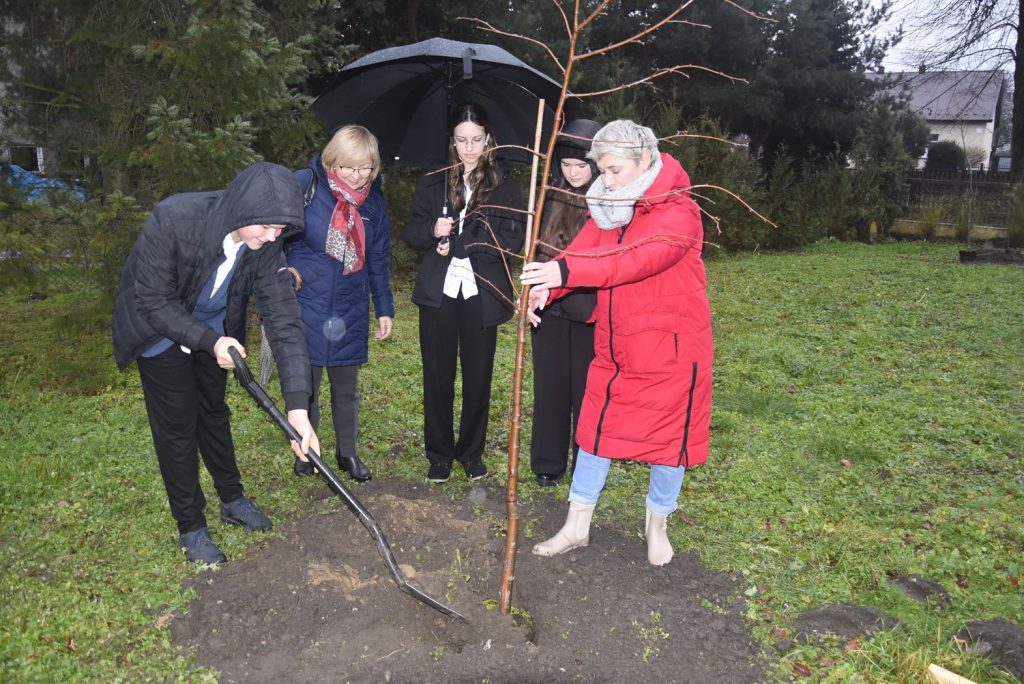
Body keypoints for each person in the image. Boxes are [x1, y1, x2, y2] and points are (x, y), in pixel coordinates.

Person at [521, 119, 713, 566]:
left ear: (644, 159)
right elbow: (585, 251)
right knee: (593, 432)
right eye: (602, 169)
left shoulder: (679, 211)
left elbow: (633, 261)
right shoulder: (612, 206)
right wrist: (551, 287)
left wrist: (564, 274)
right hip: (617, 346)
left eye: (613, 170)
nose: (604, 180)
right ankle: (576, 525)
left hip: (672, 348)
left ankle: (657, 524)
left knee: (668, 441)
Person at [112, 162, 320, 565]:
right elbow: (153, 301)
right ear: (243, 210)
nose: (272, 237)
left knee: (213, 411)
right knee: (178, 426)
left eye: (280, 231)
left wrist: (298, 407)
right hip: (158, 324)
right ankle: (191, 526)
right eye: (267, 227)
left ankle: (232, 499)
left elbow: (283, 318)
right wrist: (210, 342)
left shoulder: (264, 238)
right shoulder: (174, 219)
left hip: (212, 322)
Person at [404, 103, 526, 483]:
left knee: (478, 375)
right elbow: (412, 232)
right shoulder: (433, 180)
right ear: (452, 141)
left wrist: (466, 241)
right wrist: (434, 233)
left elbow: (515, 239)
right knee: (437, 375)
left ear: (488, 139)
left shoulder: (505, 185)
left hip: (482, 292)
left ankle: (472, 453)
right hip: (439, 293)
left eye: (476, 140)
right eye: (461, 140)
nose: (469, 148)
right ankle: (439, 454)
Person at [286, 125, 395, 483]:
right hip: (306, 300)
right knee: (307, 384)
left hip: (349, 306)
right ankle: (306, 450)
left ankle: (347, 452)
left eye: (365, 167)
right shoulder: (306, 186)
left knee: (346, 386)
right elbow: (276, 236)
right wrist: (280, 274)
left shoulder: (374, 202)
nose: (357, 175)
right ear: (333, 159)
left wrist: (384, 307)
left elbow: (378, 258)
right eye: (349, 167)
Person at [530, 119, 601, 487]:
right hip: (548, 308)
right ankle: (547, 462)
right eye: (566, 165)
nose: (573, 173)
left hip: (590, 311)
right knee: (550, 386)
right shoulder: (547, 196)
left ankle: (584, 469)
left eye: (581, 166)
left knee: (585, 391)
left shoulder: (608, 201)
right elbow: (533, 252)